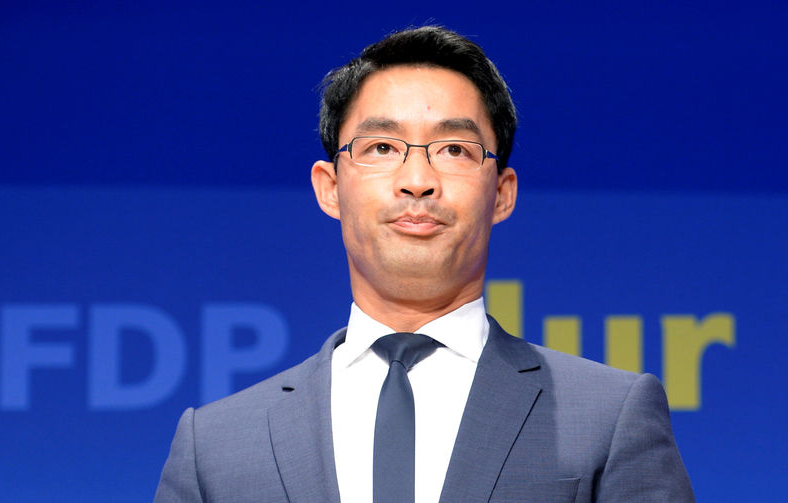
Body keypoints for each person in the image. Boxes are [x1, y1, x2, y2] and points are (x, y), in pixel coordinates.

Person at [154, 26, 694, 503]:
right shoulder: (216, 446)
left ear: (502, 194)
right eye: (383, 148)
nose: (417, 179)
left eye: (455, 149)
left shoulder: (608, 418)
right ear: (330, 188)